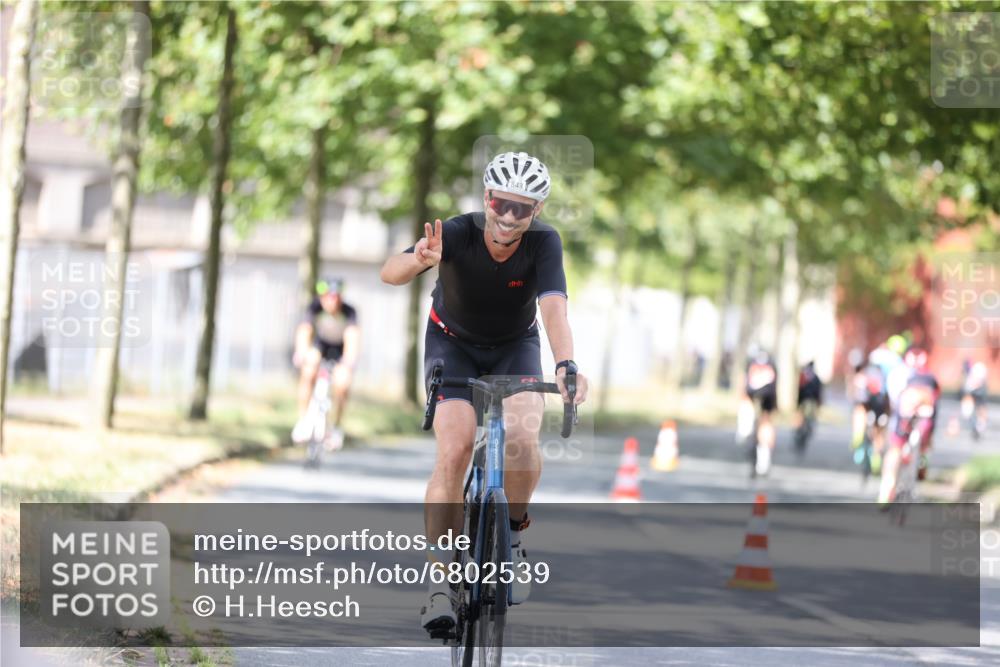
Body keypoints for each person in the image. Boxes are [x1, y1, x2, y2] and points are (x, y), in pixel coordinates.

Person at [379, 151, 589, 635]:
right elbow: (388, 273)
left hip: (515, 347)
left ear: (537, 210)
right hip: (451, 345)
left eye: (523, 207)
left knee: (521, 436)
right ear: (487, 198)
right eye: (502, 204)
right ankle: (437, 585)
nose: (509, 217)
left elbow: (554, 309)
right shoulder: (455, 232)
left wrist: (565, 364)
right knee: (453, 451)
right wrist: (418, 260)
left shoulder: (544, 243)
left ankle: (511, 540)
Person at [291, 277, 360, 451]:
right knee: (308, 370)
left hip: (339, 349)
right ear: (322, 297)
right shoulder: (314, 308)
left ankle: (336, 426)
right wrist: (301, 352)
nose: (332, 301)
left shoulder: (349, 311)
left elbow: (352, 337)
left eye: (335, 297)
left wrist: (349, 361)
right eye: (328, 297)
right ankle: (303, 420)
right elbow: (304, 331)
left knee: (343, 383)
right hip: (320, 346)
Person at [878, 347, 941, 506]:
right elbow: (936, 403)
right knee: (924, 441)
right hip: (925, 412)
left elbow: (892, 399)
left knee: (896, 448)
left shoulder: (900, 373)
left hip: (904, 410)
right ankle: (922, 460)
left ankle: (887, 488)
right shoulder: (931, 377)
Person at [743, 347, 778, 475]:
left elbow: (748, 386)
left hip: (759, 403)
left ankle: (760, 460)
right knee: (762, 432)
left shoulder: (753, 365)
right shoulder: (770, 365)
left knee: (759, 433)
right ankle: (761, 460)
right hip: (761, 404)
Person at [961, 360, 989, 439]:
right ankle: (975, 426)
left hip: (979, 392)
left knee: (981, 409)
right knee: (970, 412)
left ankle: (979, 426)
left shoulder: (981, 383)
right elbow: (968, 392)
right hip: (972, 392)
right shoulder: (970, 381)